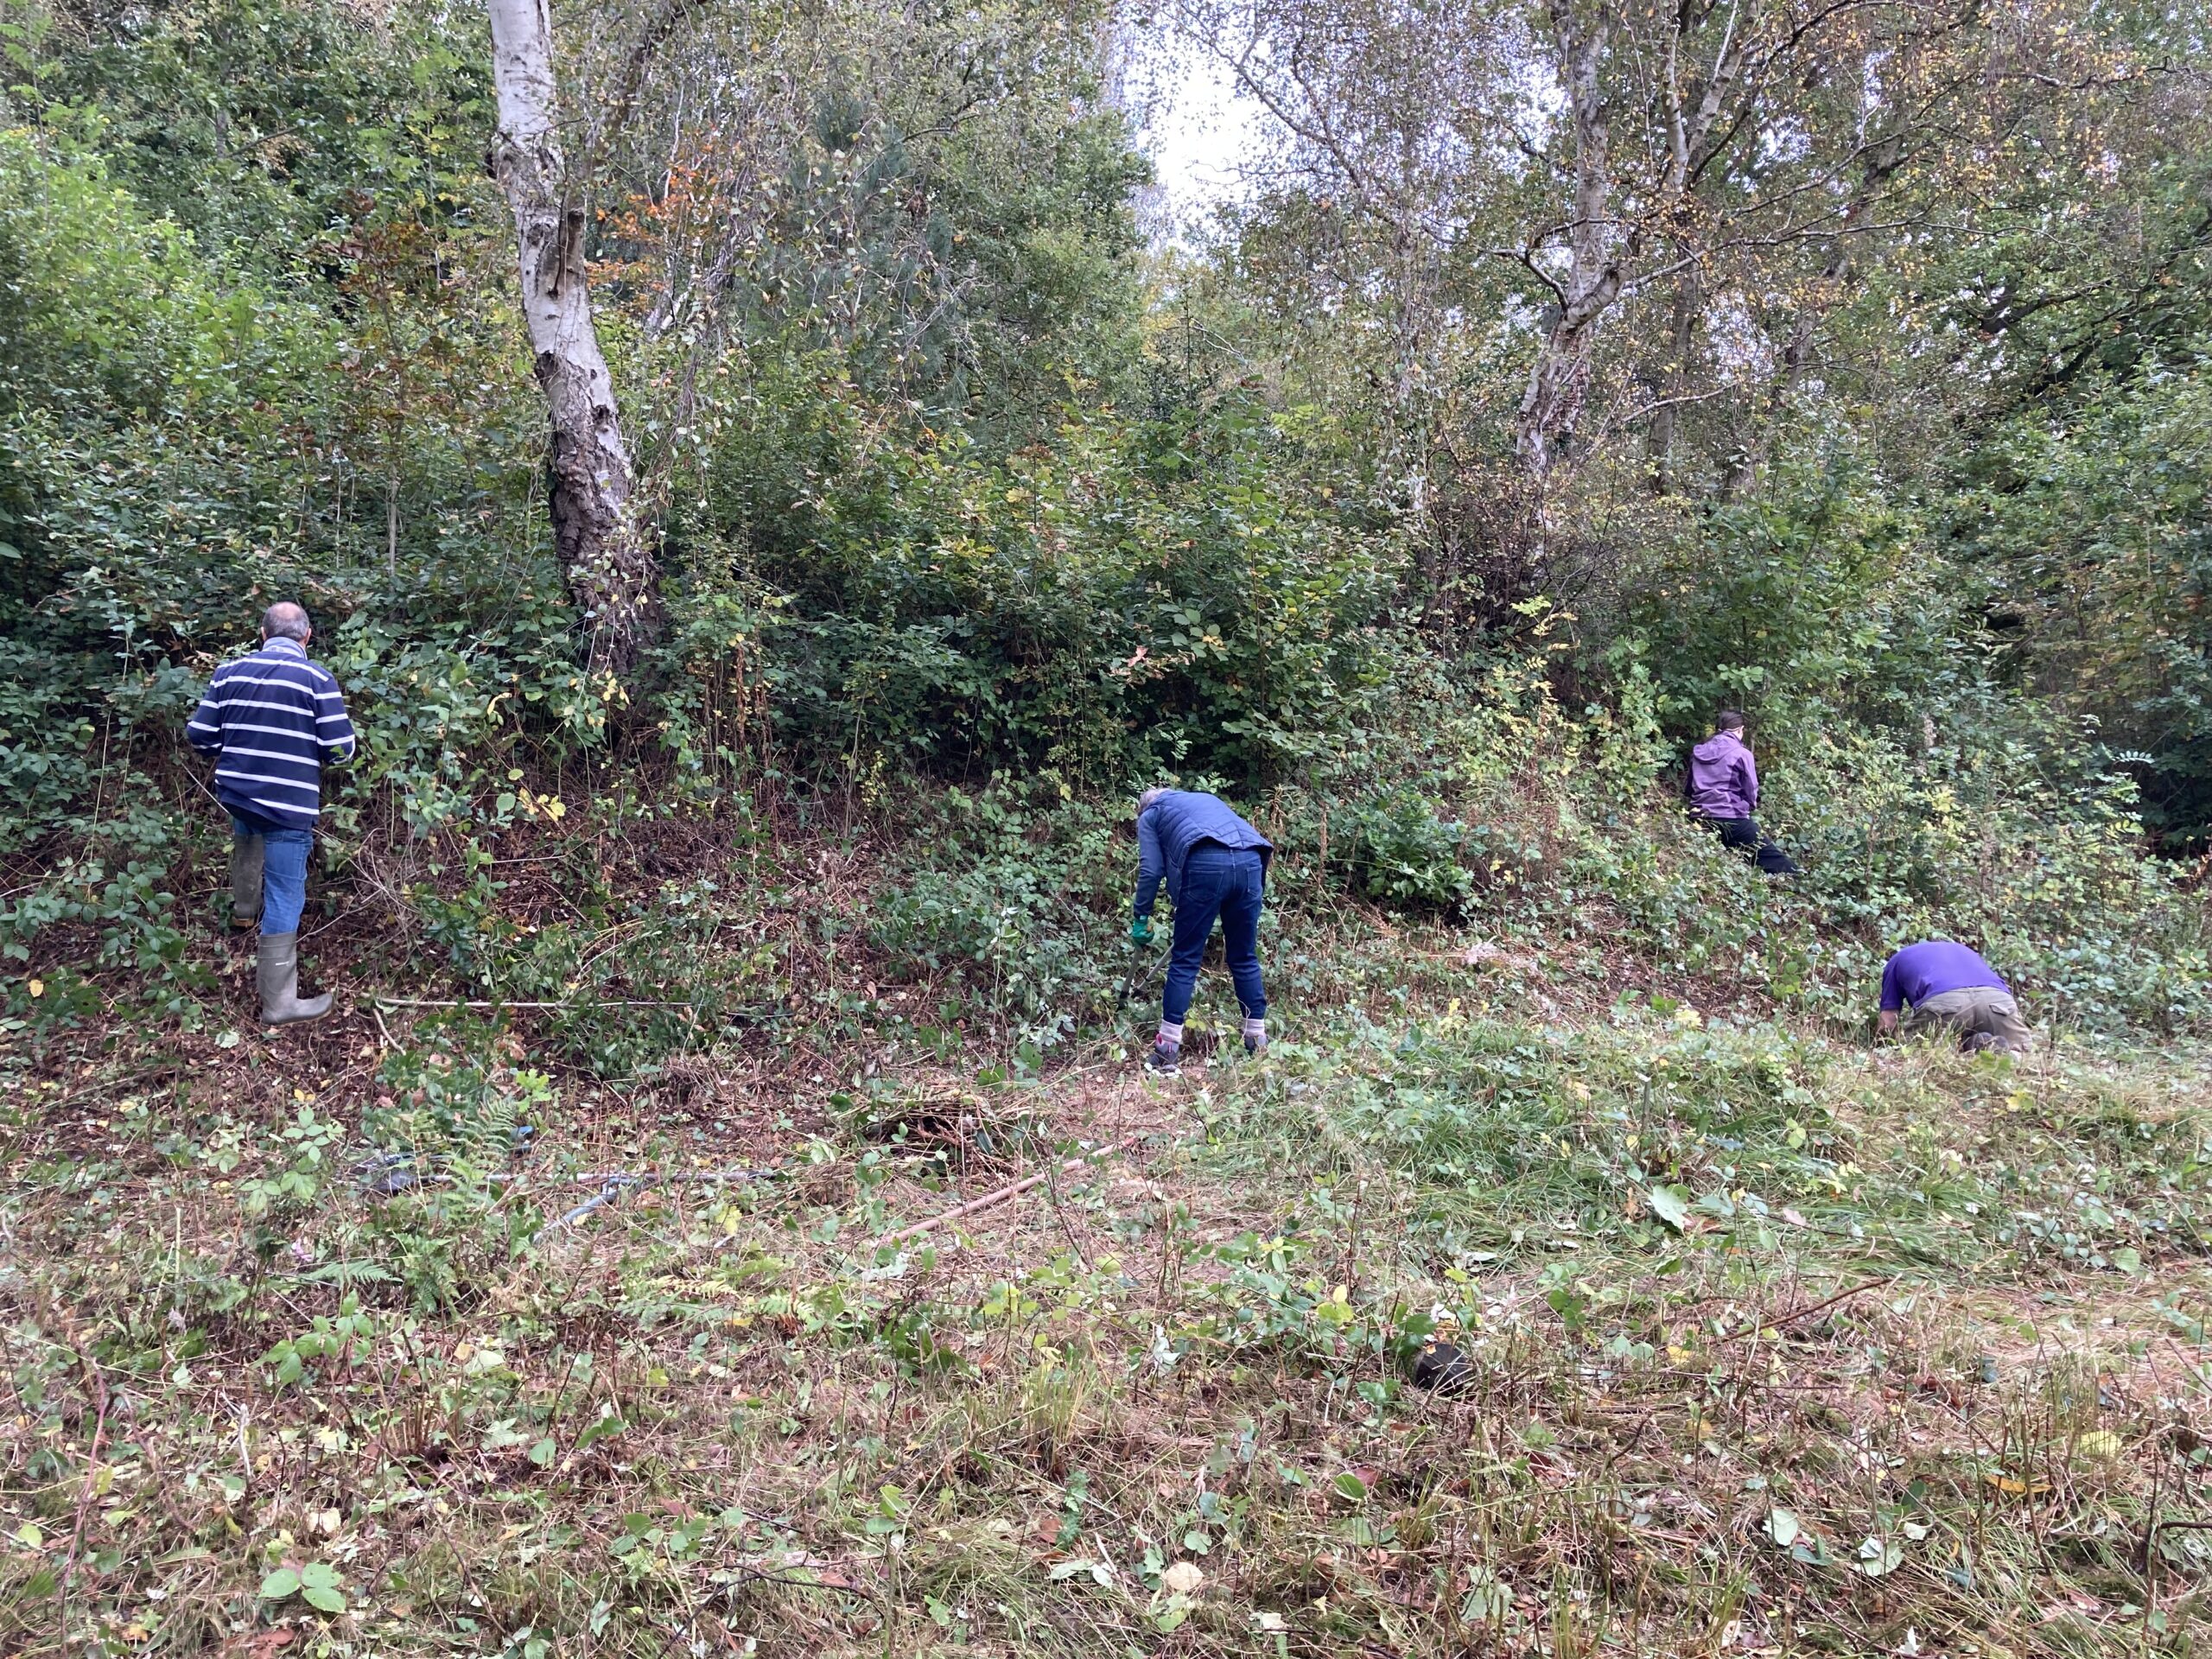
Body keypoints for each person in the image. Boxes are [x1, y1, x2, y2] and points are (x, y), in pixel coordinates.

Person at [187, 601, 357, 1026]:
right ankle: (279, 1004)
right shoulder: (317, 678)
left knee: (246, 838)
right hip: (288, 807)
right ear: (307, 635)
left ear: (262, 634)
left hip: (238, 793)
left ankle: (244, 911)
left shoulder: (229, 672)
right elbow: (342, 749)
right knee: (286, 894)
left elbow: (201, 736)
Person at [1131, 788, 1273, 1077]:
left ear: (1143, 807)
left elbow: (1151, 870)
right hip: (1251, 861)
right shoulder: (1203, 799)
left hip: (1206, 863)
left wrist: (1141, 915)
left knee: (1185, 960)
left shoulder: (1150, 814)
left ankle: (1167, 1052)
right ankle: (1257, 1044)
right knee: (1244, 956)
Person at [1685, 710, 1799, 875]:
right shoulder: (1742, 754)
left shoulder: (1698, 752)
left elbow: (1689, 788)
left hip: (1698, 818)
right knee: (1772, 859)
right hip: (1731, 817)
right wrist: (1748, 808)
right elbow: (1751, 789)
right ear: (1740, 730)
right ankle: (1798, 879)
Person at [1877, 939, 2032, 1055]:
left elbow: (1888, 1021)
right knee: (2021, 1055)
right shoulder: (1965, 951)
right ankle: (1980, 1044)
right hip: (1997, 1000)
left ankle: (1964, 1051)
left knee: (1914, 1054)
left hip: (1946, 1001)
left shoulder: (1896, 961)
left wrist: (1880, 1048)